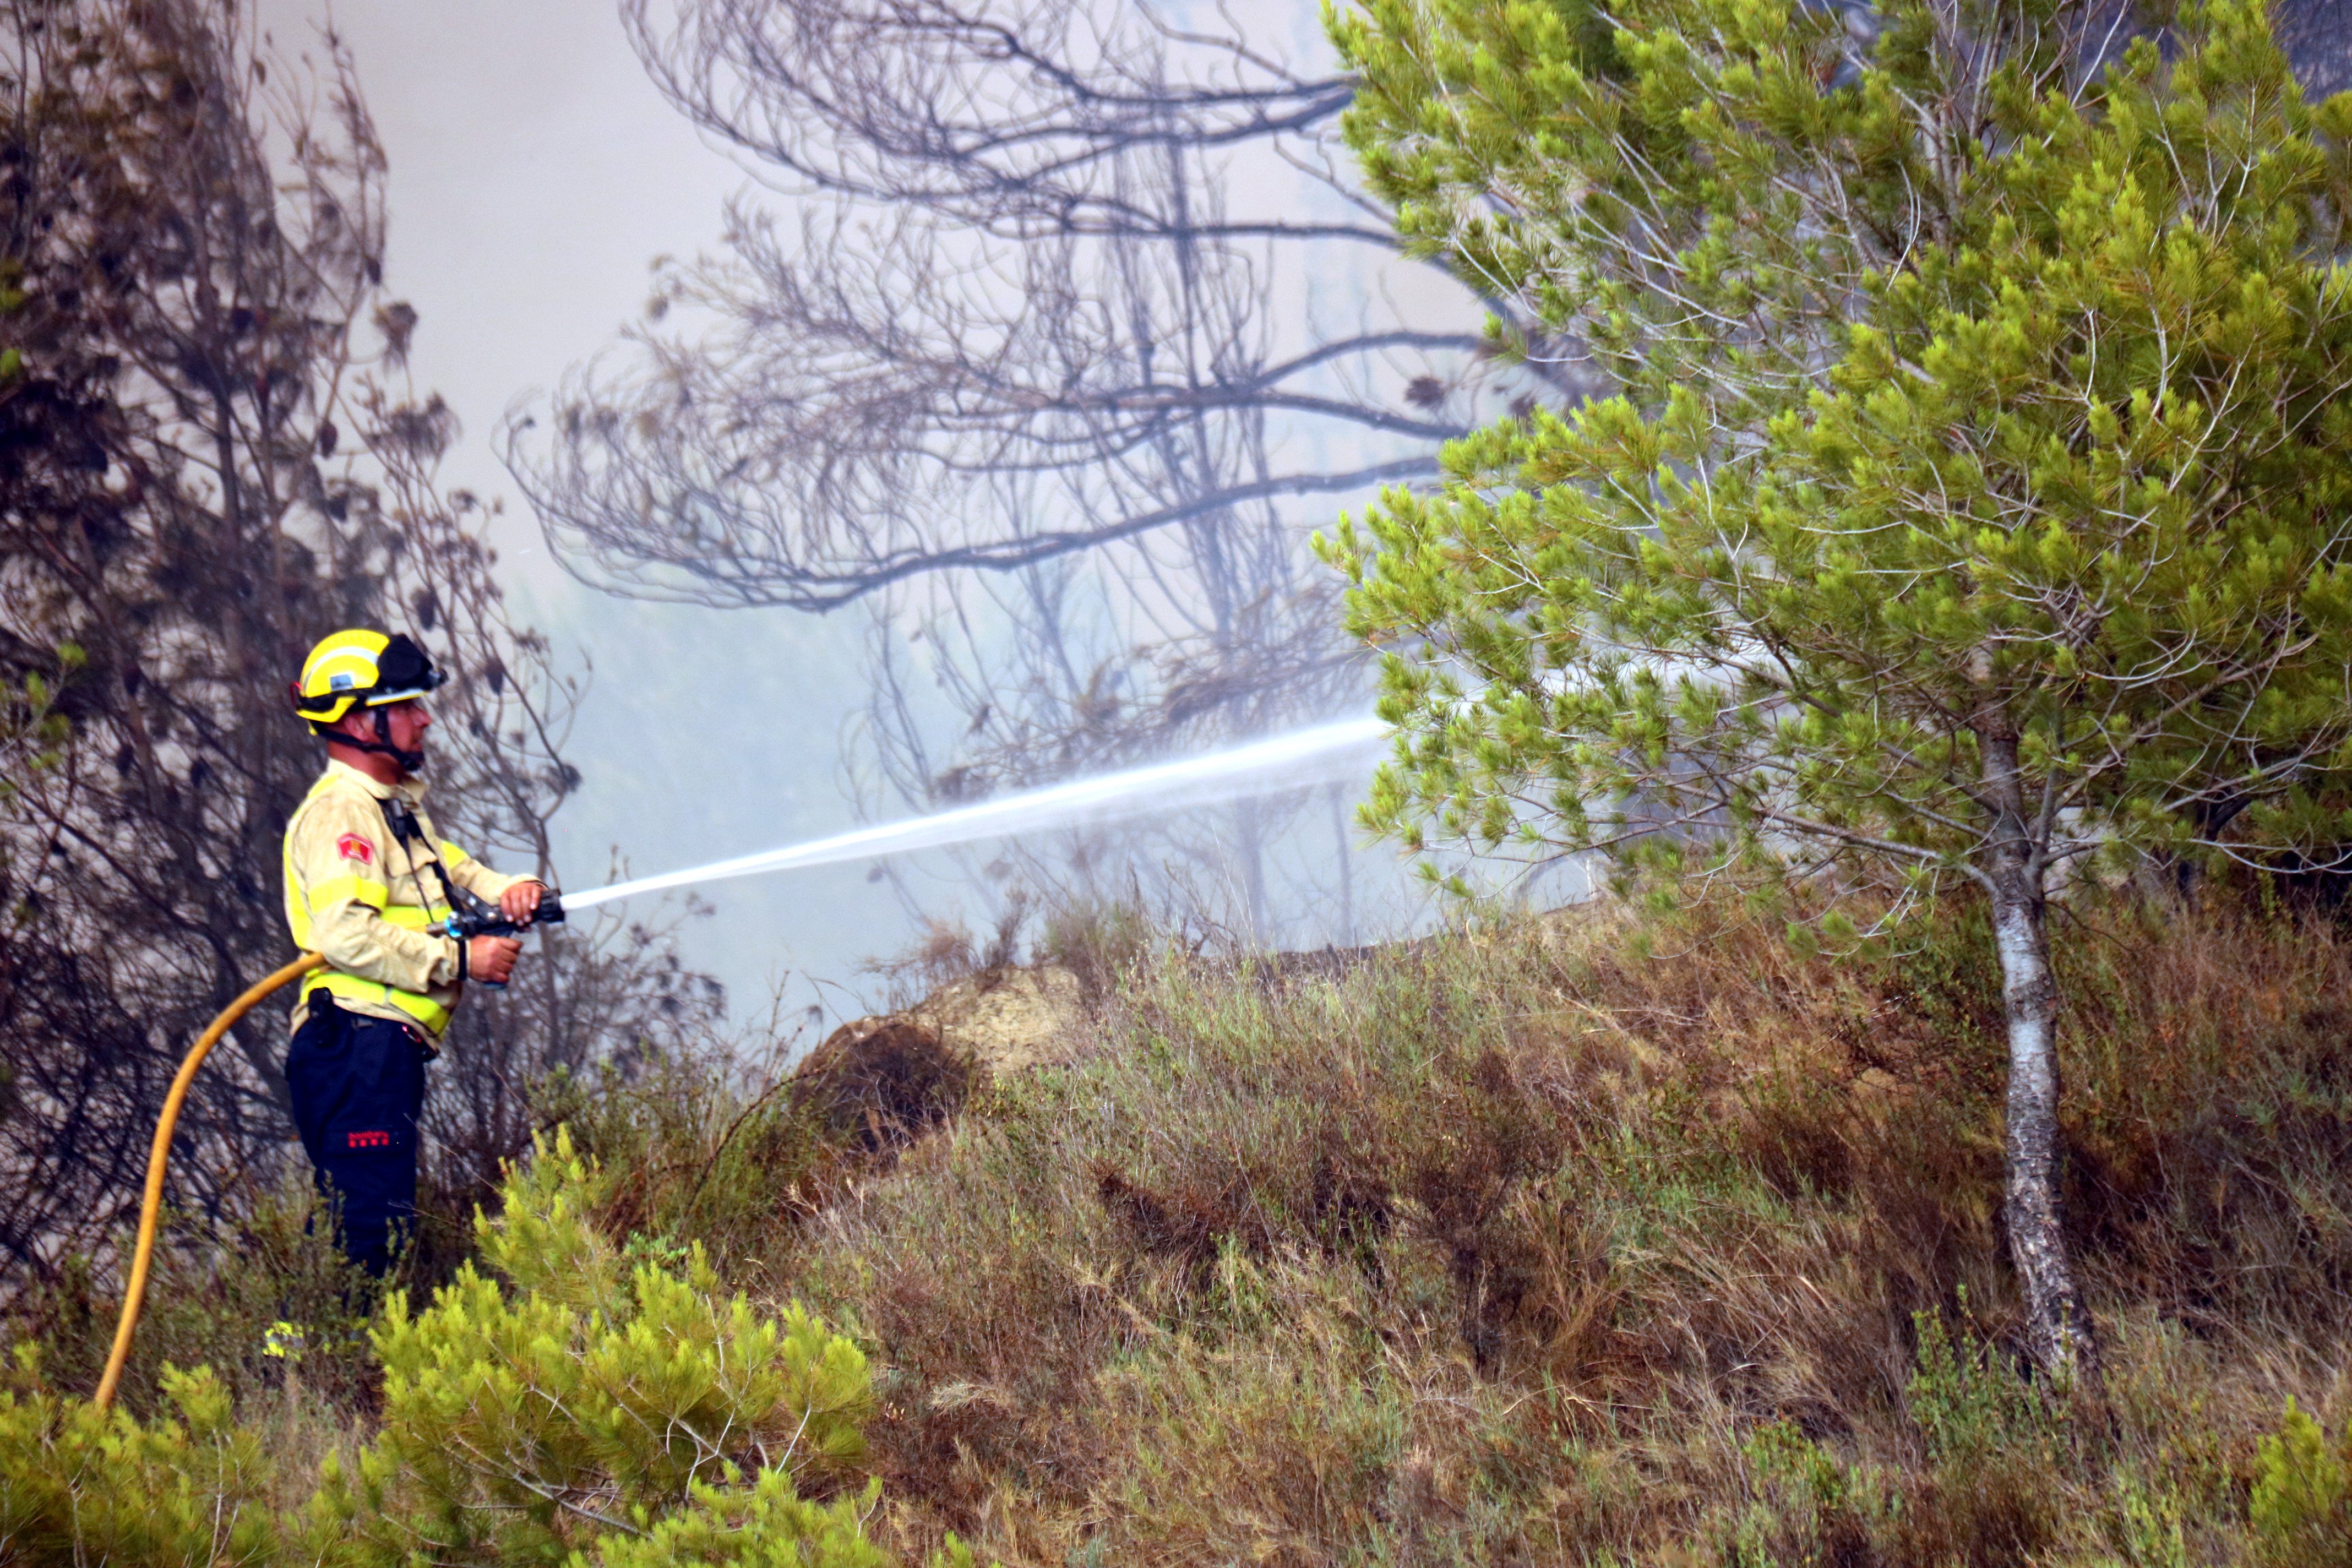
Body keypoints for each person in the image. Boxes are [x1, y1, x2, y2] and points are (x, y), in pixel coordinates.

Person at [280, 628, 548, 1273]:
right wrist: (462, 961)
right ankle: (297, 1368)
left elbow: (444, 867)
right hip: (355, 1047)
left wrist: (508, 889)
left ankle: (300, 1363)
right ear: (355, 719)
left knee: (363, 1221)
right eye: (406, 705)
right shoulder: (343, 813)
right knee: (368, 1236)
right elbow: (343, 935)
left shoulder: (389, 807)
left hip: (374, 1050)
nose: (425, 717)